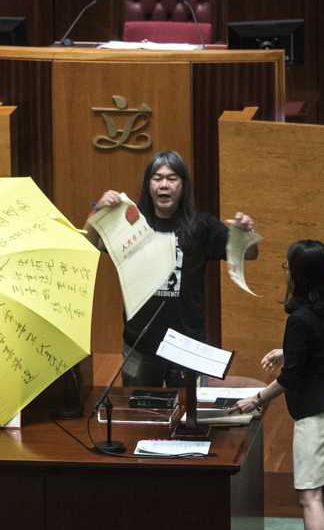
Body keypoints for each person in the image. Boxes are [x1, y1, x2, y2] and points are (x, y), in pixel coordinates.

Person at [231, 240, 324, 530]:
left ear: (302, 274)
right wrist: (288, 352)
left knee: (310, 496)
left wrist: (257, 399)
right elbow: (322, 350)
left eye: (288, 267)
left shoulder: (299, 319)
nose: (286, 272)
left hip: (317, 417)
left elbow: (291, 378)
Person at [85, 150, 258, 387]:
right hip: (141, 344)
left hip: (188, 346)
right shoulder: (131, 222)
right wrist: (97, 213)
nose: (164, 185)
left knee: (190, 421)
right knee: (140, 420)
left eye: (172, 178)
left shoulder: (202, 225)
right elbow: (88, 245)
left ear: (183, 186)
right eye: (157, 178)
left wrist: (246, 233)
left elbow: (249, 255)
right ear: (148, 185)